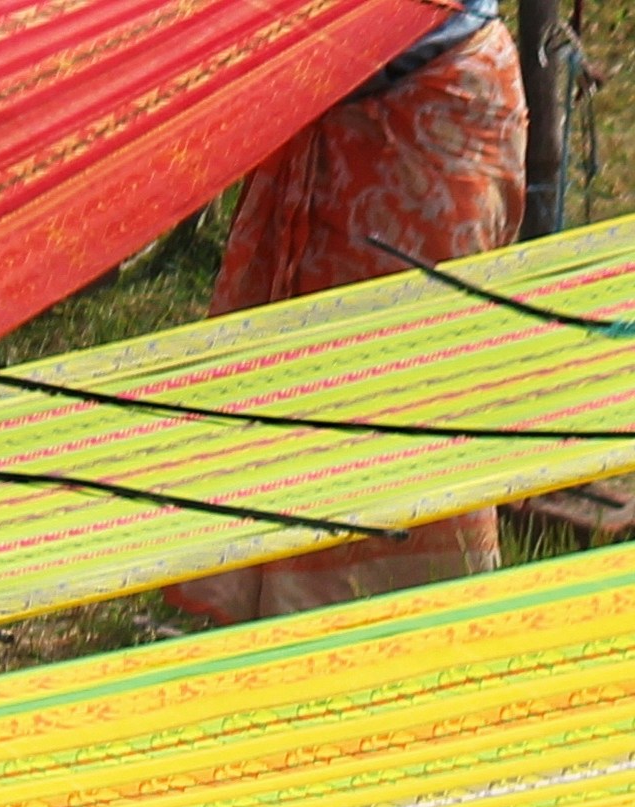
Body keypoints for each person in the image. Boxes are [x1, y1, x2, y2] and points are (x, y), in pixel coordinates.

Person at [172, 0, 530, 625]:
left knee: (414, 383)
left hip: (432, 103)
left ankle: (411, 621)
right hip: (328, 90)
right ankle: (281, 617)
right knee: (291, 379)